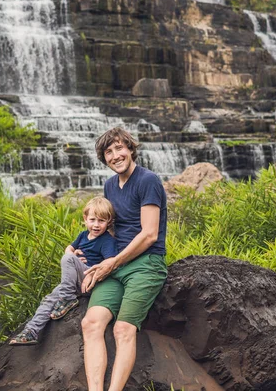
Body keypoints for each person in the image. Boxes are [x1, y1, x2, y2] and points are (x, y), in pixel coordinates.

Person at [81, 127, 168, 391]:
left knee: (122, 330)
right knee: (91, 323)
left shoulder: (147, 180)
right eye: (109, 152)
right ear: (104, 158)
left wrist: (113, 262)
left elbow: (150, 234)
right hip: (116, 263)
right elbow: (107, 228)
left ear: (130, 149)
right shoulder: (109, 186)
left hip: (146, 263)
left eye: (120, 148)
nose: (115, 155)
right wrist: (86, 256)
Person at [9, 196, 118, 346]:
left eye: (101, 221)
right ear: (85, 219)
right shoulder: (82, 235)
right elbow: (69, 248)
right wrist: (72, 254)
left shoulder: (106, 240)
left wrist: (75, 261)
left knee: (68, 259)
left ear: (109, 221)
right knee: (49, 299)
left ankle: (67, 298)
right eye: (92, 220)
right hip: (76, 279)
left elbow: (109, 262)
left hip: (91, 279)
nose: (96, 225)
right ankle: (31, 331)